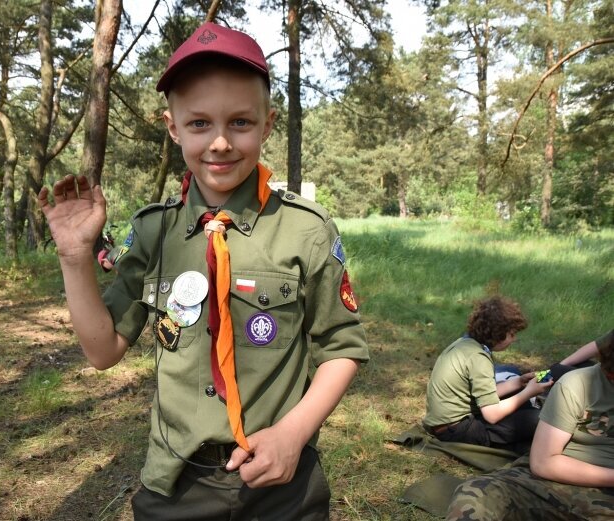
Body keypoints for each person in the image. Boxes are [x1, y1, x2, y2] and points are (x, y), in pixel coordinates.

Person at [39, 22, 369, 521]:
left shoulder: (307, 230)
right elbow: (103, 350)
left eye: (240, 122)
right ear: (173, 127)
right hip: (178, 481)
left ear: (267, 123)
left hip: (282, 478)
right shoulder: (154, 231)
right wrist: (73, 257)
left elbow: (341, 349)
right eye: (199, 124)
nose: (219, 142)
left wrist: (292, 434)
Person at [446, 329, 614, 520]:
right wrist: (526, 386)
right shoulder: (578, 384)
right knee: (476, 495)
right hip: (551, 484)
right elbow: (543, 462)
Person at [423, 296, 553, 453]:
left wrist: (519, 382)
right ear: (498, 334)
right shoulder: (478, 358)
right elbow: (492, 414)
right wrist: (528, 392)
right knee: (541, 420)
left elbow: (485, 394)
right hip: (458, 430)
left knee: (517, 392)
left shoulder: (466, 345)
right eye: (511, 334)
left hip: (449, 423)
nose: (514, 339)